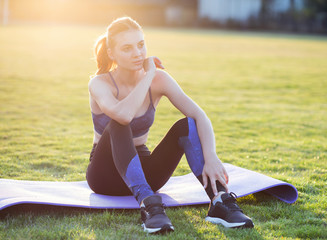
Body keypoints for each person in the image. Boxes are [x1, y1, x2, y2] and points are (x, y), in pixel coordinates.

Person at [86, 16, 253, 234]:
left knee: (187, 124)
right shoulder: (99, 83)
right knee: (118, 123)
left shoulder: (160, 80)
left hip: (145, 174)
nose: (137, 53)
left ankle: (219, 201)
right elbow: (124, 115)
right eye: (127, 48)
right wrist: (149, 75)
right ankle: (149, 206)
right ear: (112, 53)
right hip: (104, 175)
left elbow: (200, 116)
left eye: (140, 44)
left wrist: (211, 157)